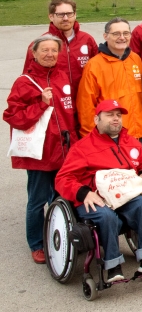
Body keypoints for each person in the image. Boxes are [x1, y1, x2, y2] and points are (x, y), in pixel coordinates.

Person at [54, 99, 142, 281]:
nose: (115, 119)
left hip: (124, 195)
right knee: (106, 216)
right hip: (95, 197)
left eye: (118, 116)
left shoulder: (131, 143)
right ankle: (112, 265)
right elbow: (62, 179)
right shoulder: (82, 148)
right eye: (110, 115)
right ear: (97, 120)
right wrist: (84, 192)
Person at [5, 35, 77, 263]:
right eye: (44, 50)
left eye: (53, 50)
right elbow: (13, 117)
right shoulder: (24, 83)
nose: (49, 54)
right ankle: (37, 244)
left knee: (61, 197)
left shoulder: (63, 76)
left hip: (64, 150)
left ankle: (61, 235)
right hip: (40, 154)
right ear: (33, 54)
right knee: (37, 201)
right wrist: (40, 105)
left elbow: (70, 114)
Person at [77, 17, 142, 139]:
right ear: (105, 36)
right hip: (111, 134)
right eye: (116, 34)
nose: (122, 37)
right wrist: (91, 136)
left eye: (126, 33)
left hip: (138, 132)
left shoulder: (135, 59)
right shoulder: (94, 65)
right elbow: (86, 105)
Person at [22, 0, 98, 110]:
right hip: (56, 108)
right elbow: (28, 82)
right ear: (51, 16)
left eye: (69, 14)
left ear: (75, 15)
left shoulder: (87, 40)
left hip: (85, 104)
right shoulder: (39, 45)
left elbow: (98, 72)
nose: (66, 18)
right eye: (61, 14)